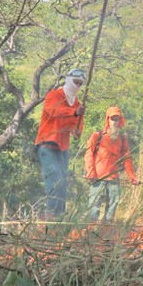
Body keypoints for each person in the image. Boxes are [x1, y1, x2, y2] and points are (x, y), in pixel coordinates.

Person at [35, 68, 86, 218]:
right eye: (75, 82)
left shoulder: (78, 104)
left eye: (80, 83)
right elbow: (54, 111)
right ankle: (50, 212)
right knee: (54, 176)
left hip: (63, 147)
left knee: (64, 180)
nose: (77, 86)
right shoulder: (54, 95)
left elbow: (77, 127)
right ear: (69, 80)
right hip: (48, 143)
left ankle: (60, 213)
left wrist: (77, 131)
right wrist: (74, 112)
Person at [84, 106, 140, 222]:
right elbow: (88, 154)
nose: (114, 121)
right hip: (97, 178)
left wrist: (132, 177)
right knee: (93, 210)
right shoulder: (97, 135)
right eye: (112, 118)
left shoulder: (122, 138)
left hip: (114, 179)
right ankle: (89, 232)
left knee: (111, 212)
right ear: (107, 119)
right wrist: (90, 172)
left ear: (120, 121)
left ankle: (106, 234)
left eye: (117, 119)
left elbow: (127, 158)